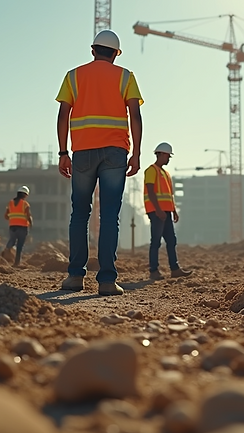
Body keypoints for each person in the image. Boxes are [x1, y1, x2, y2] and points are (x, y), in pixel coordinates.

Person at [56, 29, 143, 296]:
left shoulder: (73, 76)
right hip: (115, 153)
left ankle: (74, 277)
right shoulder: (126, 76)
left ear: (93, 50)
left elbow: (62, 115)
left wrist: (63, 153)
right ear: (116, 54)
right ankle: (106, 281)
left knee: (80, 215)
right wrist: (137, 153)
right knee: (109, 217)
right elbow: (136, 117)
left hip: (82, 151)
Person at [144, 142, 192, 280]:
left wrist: (174, 211)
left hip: (166, 212)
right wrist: (158, 210)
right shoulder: (151, 170)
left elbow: (169, 195)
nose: (169, 159)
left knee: (171, 240)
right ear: (161, 154)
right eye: (168, 156)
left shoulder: (165, 173)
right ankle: (154, 271)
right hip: (157, 211)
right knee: (156, 242)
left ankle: (175, 269)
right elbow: (151, 191)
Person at [3, 186, 33, 266]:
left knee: (12, 241)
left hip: (12, 226)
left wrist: (13, 218)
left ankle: (7, 250)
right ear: (25, 195)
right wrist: (31, 224)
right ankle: (17, 263)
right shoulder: (25, 204)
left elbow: (6, 216)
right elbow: (28, 215)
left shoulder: (10, 203)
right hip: (23, 227)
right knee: (20, 245)